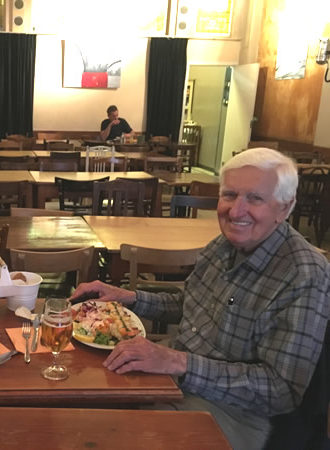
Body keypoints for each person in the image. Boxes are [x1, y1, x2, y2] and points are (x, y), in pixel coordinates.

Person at [70, 148, 330, 449]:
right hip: (171, 380)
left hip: (234, 415)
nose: (235, 211)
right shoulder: (222, 245)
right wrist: (128, 297)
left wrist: (177, 361)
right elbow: (191, 305)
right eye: (229, 195)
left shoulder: (304, 273)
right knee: (77, 406)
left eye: (255, 198)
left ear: (285, 208)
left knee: (105, 436)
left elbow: (281, 389)